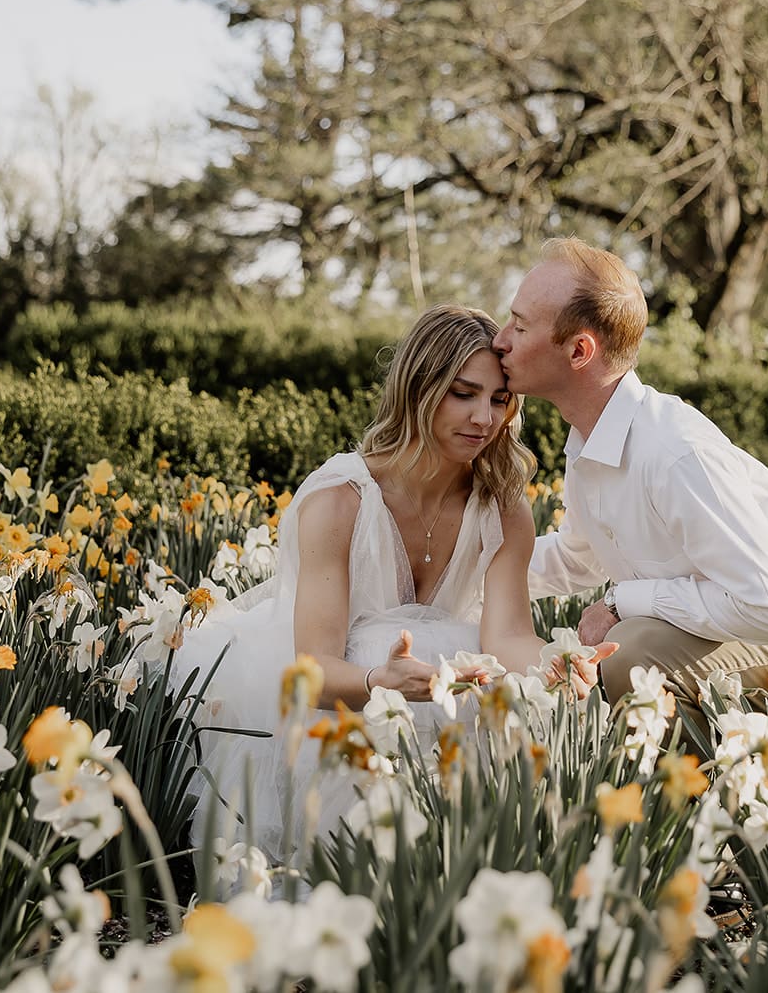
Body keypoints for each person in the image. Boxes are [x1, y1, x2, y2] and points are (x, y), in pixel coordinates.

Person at [170, 304, 610, 866]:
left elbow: (508, 638)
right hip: (329, 699)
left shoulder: (503, 508)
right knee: (388, 645)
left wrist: (555, 662)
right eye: (462, 393)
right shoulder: (340, 500)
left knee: (490, 687)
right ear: (418, 391)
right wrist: (383, 679)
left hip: (438, 691)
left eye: (499, 400)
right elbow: (316, 670)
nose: (483, 417)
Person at [491, 237, 768, 718]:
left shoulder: (674, 453)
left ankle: (681, 792)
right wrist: (463, 566)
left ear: (579, 350)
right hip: (758, 643)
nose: (499, 340)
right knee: (633, 644)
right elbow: (576, 560)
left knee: (632, 651)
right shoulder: (591, 442)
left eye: (520, 326)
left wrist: (622, 602)